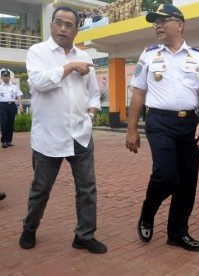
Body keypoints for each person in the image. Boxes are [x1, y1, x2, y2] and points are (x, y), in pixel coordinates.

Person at [126, 4, 199, 252]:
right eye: (155, 22)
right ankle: (148, 212)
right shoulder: (149, 54)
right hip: (159, 122)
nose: (157, 25)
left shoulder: (198, 56)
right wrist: (131, 130)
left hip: (190, 122)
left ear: (180, 24)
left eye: (162, 20)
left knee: (187, 181)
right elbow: (138, 93)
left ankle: (177, 233)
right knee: (166, 176)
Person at [20, 6, 107, 254]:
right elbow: (38, 82)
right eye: (59, 22)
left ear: (77, 30)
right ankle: (29, 227)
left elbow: (93, 93)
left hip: (80, 134)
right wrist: (69, 68)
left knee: (87, 188)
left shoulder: (86, 57)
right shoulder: (37, 52)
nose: (62, 28)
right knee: (41, 189)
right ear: (51, 25)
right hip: (48, 136)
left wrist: (91, 115)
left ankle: (84, 235)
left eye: (69, 25)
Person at [0, 69, 23, 148]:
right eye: (4, 76)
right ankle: (4, 141)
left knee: (10, 124)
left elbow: (19, 96)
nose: (5, 78)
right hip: (2, 106)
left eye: (7, 76)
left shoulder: (14, 86)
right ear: (1, 77)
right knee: (4, 123)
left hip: (12, 106)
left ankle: (9, 141)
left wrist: (20, 105)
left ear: (9, 77)